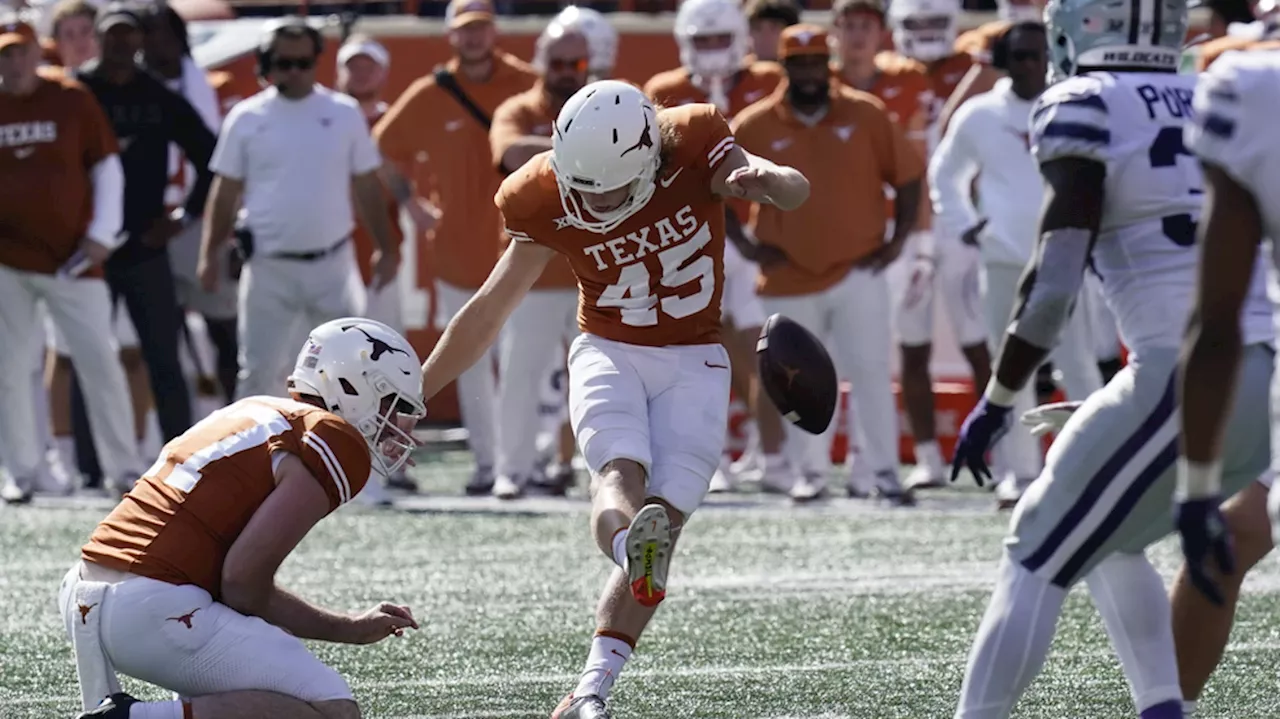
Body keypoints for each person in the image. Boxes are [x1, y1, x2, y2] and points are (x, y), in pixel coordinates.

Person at [418, 79, 808, 718]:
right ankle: (633, 552)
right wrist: (417, 396)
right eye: (584, 186)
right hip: (609, 346)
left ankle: (590, 692)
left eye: (610, 186)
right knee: (616, 474)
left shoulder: (695, 139)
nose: (595, 201)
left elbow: (794, 191)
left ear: (652, 156)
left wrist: (767, 176)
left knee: (667, 513)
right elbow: (489, 309)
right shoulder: (540, 192)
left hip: (696, 359)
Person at [948, 0, 1274, 715]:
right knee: (1113, 536)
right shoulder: (1214, 90)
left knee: (1033, 550)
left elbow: (1054, 280)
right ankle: (1162, 703)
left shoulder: (1083, 102)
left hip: (1180, 375)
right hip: (1256, 380)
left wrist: (998, 400)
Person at [63, 318, 424, 719]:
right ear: (354, 387)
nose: (399, 423)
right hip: (151, 603)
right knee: (331, 708)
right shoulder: (333, 438)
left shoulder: (253, 409)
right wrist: (346, 627)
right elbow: (241, 583)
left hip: (83, 591)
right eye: (393, 404)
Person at [732, 24, 922, 503]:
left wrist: (898, 239)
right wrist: (749, 248)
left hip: (859, 268)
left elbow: (908, 175)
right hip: (787, 276)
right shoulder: (754, 124)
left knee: (872, 371)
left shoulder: (866, 113)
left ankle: (879, 472)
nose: (811, 72)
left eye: (818, 61)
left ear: (829, 63)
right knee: (798, 383)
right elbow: (714, 191)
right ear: (786, 68)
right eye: (800, 63)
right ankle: (810, 474)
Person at [929, 21, 1103, 509]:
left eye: (1039, 55)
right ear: (1004, 61)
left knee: (1079, 365)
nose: (1032, 65)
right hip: (1004, 260)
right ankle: (1021, 474)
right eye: (1022, 56)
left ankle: (1090, 468)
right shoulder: (980, 115)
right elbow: (945, 171)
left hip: (1067, 258)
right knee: (1010, 371)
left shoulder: (1075, 105)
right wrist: (967, 223)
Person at [374, 0, 538, 495]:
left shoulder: (527, 83)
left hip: (524, 244)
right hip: (456, 250)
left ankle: (523, 463)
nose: (474, 39)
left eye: (481, 29)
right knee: (469, 365)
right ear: (451, 36)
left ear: (494, 32)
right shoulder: (430, 94)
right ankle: (490, 464)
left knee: (522, 363)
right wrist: (414, 205)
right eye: (465, 31)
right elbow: (383, 148)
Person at [829, 0, 988, 490]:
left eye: (933, 22)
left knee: (980, 343)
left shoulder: (960, 64)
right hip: (897, 224)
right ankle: (926, 457)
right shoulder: (852, 81)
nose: (924, 33)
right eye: (913, 24)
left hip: (951, 221)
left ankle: (999, 455)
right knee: (909, 347)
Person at [199, 19, 398, 408]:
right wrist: (209, 254)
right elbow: (224, 192)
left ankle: (355, 466)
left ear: (315, 63)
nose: (294, 72)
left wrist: (386, 246)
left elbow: (367, 185)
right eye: (284, 63)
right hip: (267, 267)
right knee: (258, 372)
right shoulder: (246, 117)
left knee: (346, 370)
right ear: (266, 64)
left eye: (303, 63)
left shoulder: (343, 113)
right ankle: (256, 465)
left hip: (333, 266)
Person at [644, 0, 792, 494]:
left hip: (754, 238)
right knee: (698, 353)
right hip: (687, 238)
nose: (710, 51)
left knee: (760, 350)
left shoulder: (769, 81)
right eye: (701, 40)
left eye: (719, 39)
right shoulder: (664, 91)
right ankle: (713, 458)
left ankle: (773, 455)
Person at [1175, 29, 1280, 719]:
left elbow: (1215, 322)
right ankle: (1165, 705)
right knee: (1241, 532)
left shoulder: (1255, 92)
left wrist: (1195, 486)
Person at [0, 15, 139, 503]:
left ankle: (122, 468)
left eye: (20, 52)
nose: (12, 63)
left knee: (99, 359)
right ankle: (21, 471)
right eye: (4, 55)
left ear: (38, 54)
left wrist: (102, 234)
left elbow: (106, 167)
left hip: (73, 259)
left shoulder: (72, 99)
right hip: (9, 260)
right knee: (10, 366)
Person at [73, 1, 217, 450]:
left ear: (141, 40)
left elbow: (213, 159)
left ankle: (181, 459)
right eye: (112, 33)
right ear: (97, 38)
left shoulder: (157, 95)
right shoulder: (74, 93)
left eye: (128, 33)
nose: (121, 42)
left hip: (143, 245)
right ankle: (90, 464)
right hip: (86, 247)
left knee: (164, 357)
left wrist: (183, 218)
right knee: (89, 358)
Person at [487, 21, 592, 499]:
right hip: (532, 269)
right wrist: (583, 149)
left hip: (596, 268)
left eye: (578, 64)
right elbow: (510, 153)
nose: (568, 72)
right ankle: (512, 467)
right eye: (558, 63)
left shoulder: (605, 102)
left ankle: (601, 469)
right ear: (540, 62)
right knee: (519, 377)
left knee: (602, 378)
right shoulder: (519, 108)